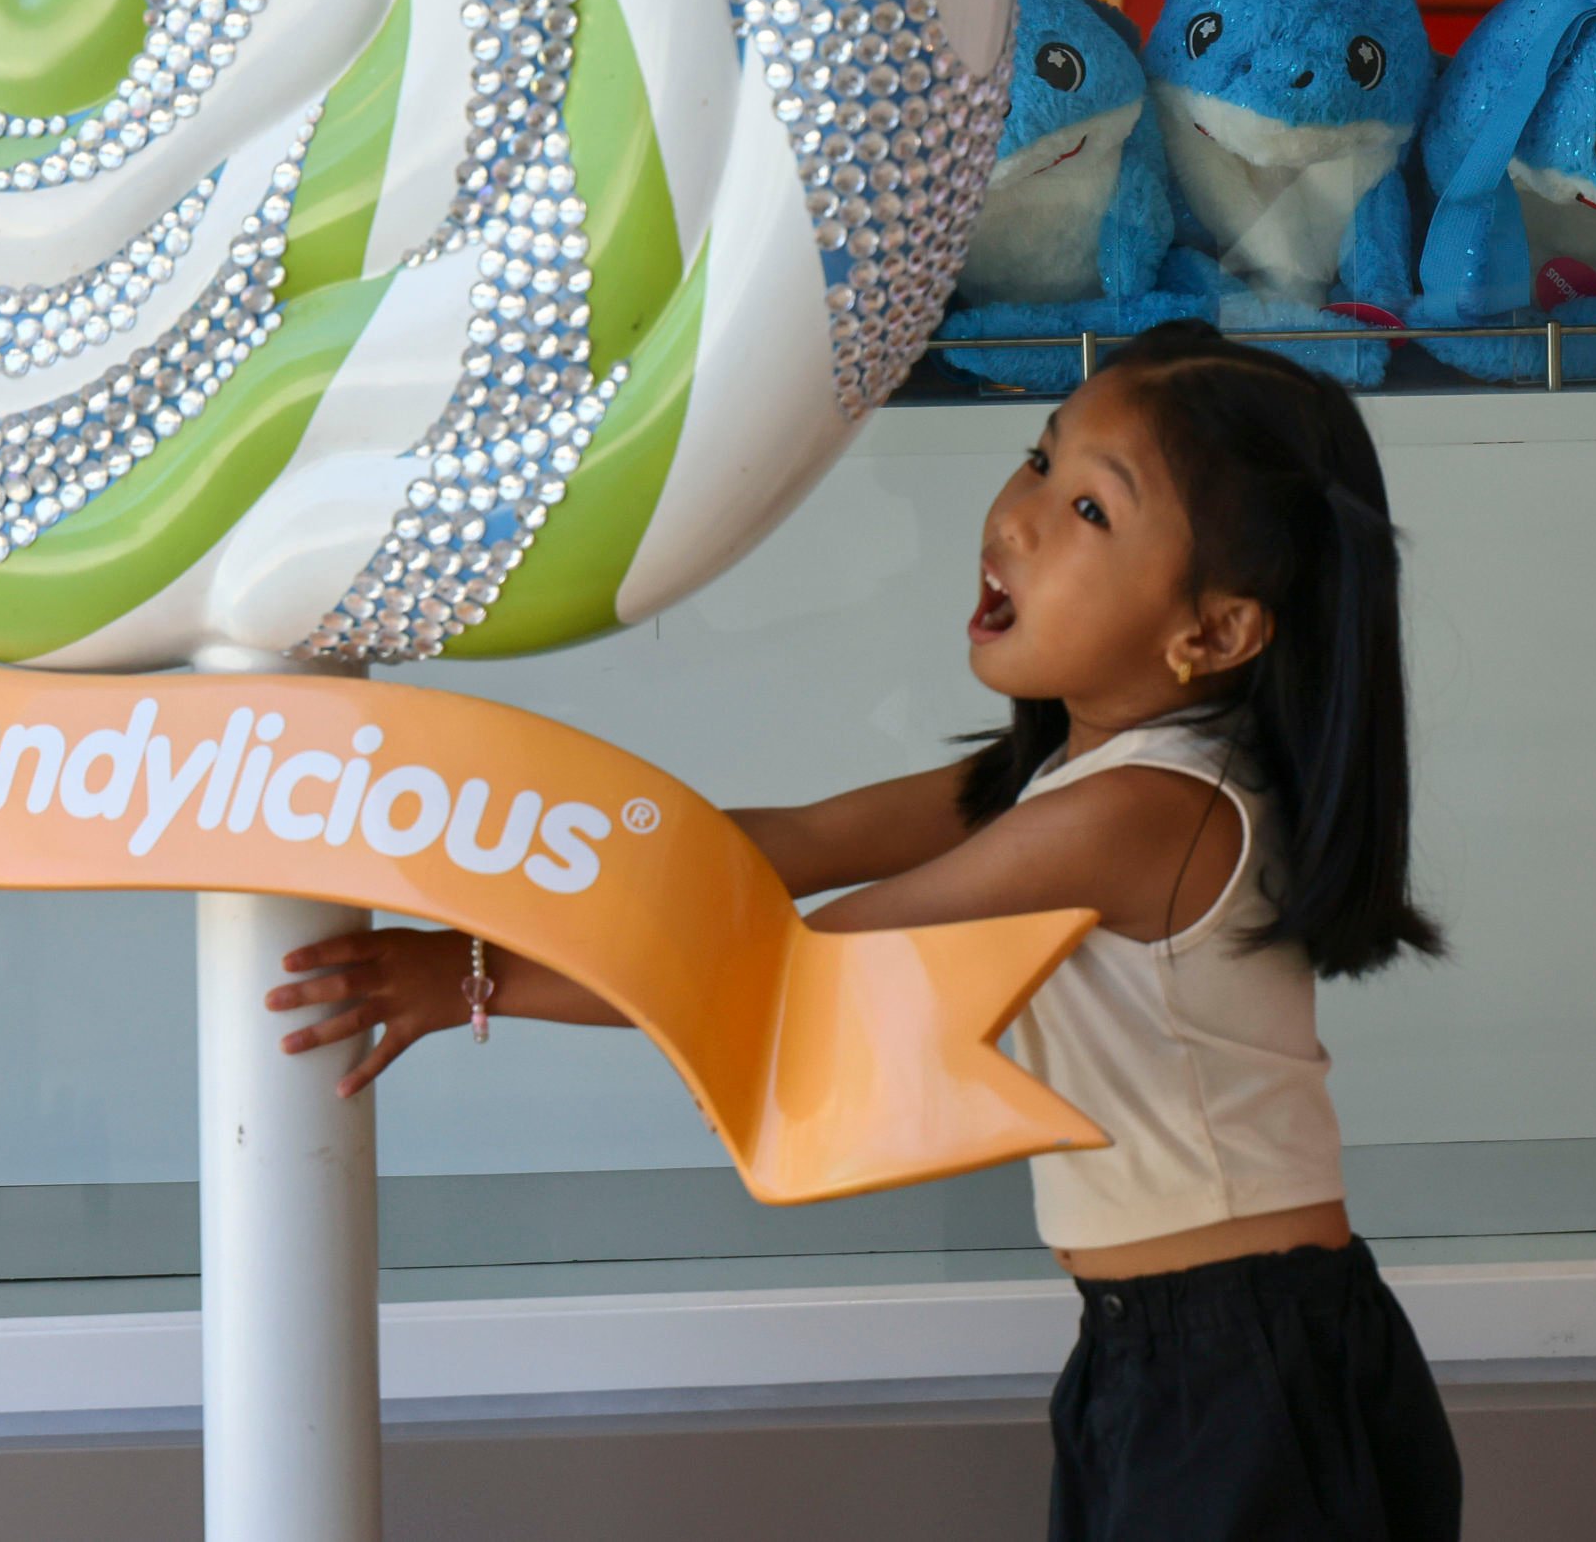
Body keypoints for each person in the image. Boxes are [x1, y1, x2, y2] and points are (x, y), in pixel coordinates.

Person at [270, 319, 1462, 1540]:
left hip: (1246, 1368)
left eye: (1093, 510)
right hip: (1174, 1352)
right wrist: (469, 843)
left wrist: (470, 975)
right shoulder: (1067, 779)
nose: (1020, 513)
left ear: (1210, 631)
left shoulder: (1140, 813)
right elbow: (781, 844)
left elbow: (783, 961)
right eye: (1041, 457)